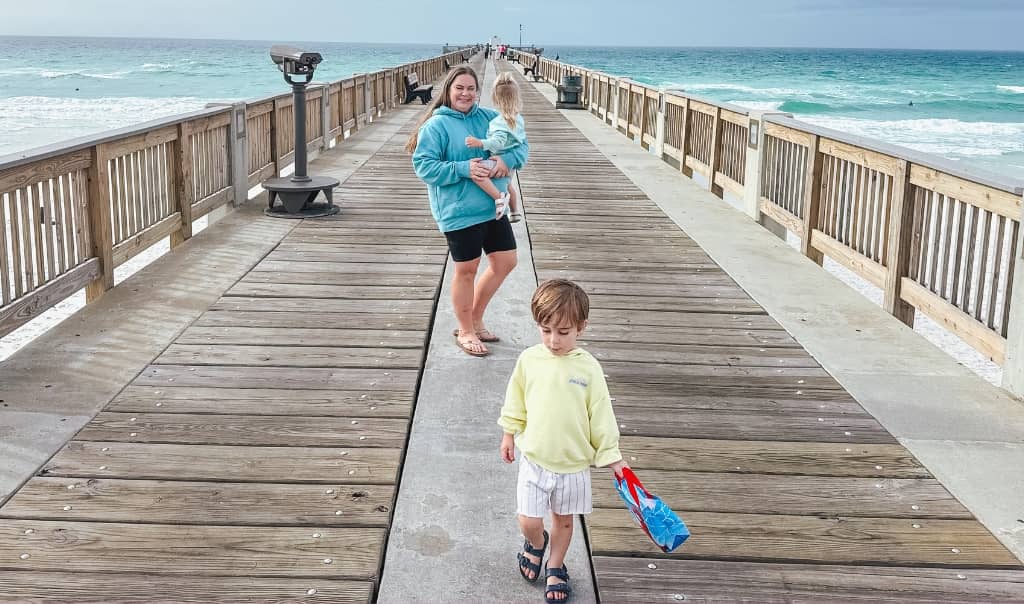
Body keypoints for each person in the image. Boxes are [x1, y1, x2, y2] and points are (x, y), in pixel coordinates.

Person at [498, 279, 628, 603]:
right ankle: (536, 542)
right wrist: (509, 432)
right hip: (534, 457)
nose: (554, 341)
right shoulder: (529, 360)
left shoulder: (589, 370)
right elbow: (516, 399)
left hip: (572, 465)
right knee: (528, 519)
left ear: (581, 328)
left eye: (563, 332)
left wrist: (612, 456)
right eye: (546, 330)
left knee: (564, 521)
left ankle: (556, 565)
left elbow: (600, 414)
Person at [406, 65, 529, 357]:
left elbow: (521, 145)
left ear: (478, 91)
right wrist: (463, 168)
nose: (465, 93)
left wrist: (506, 158)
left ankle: (474, 317)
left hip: (492, 207)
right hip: (458, 210)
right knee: (467, 270)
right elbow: (423, 165)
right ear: (448, 91)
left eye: (471, 88)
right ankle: (466, 330)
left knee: (506, 262)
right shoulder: (436, 126)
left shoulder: (489, 118)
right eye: (459, 88)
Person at [465, 72, 526, 223]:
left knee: (477, 172)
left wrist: (480, 142)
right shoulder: (517, 118)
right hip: (511, 165)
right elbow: (522, 140)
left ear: (495, 98)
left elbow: (498, 142)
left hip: (497, 160)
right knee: (509, 184)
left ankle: (499, 197)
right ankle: (515, 212)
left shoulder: (500, 122)